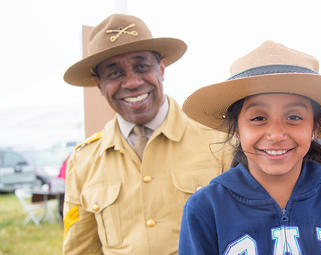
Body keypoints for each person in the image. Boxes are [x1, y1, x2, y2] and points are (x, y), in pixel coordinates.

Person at [61, 14, 231, 255]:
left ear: (161, 68)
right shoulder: (83, 162)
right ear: (99, 84)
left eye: (142, 67)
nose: (131, 82)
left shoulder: (218, 143)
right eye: (114, 73)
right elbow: (81, 249)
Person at [178, 40, 321, 254]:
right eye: (259, 118)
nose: (276, 135)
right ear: (236, 129)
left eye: (294, 117)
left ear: (314, 127)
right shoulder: (206, 208)